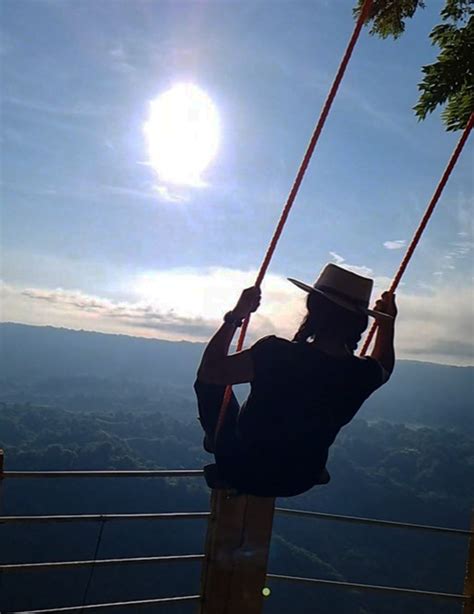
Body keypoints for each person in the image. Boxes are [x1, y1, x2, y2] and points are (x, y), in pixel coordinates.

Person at [194, 263, 397, 497]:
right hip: (300, 480)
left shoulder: (275, 353)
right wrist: (387, 324)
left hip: (242, 471)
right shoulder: (362, 372)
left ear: (314, 308)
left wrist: (235, 316)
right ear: (359, 322)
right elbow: (385, 365)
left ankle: (215, 438)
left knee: (210, 387)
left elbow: (210, 371)